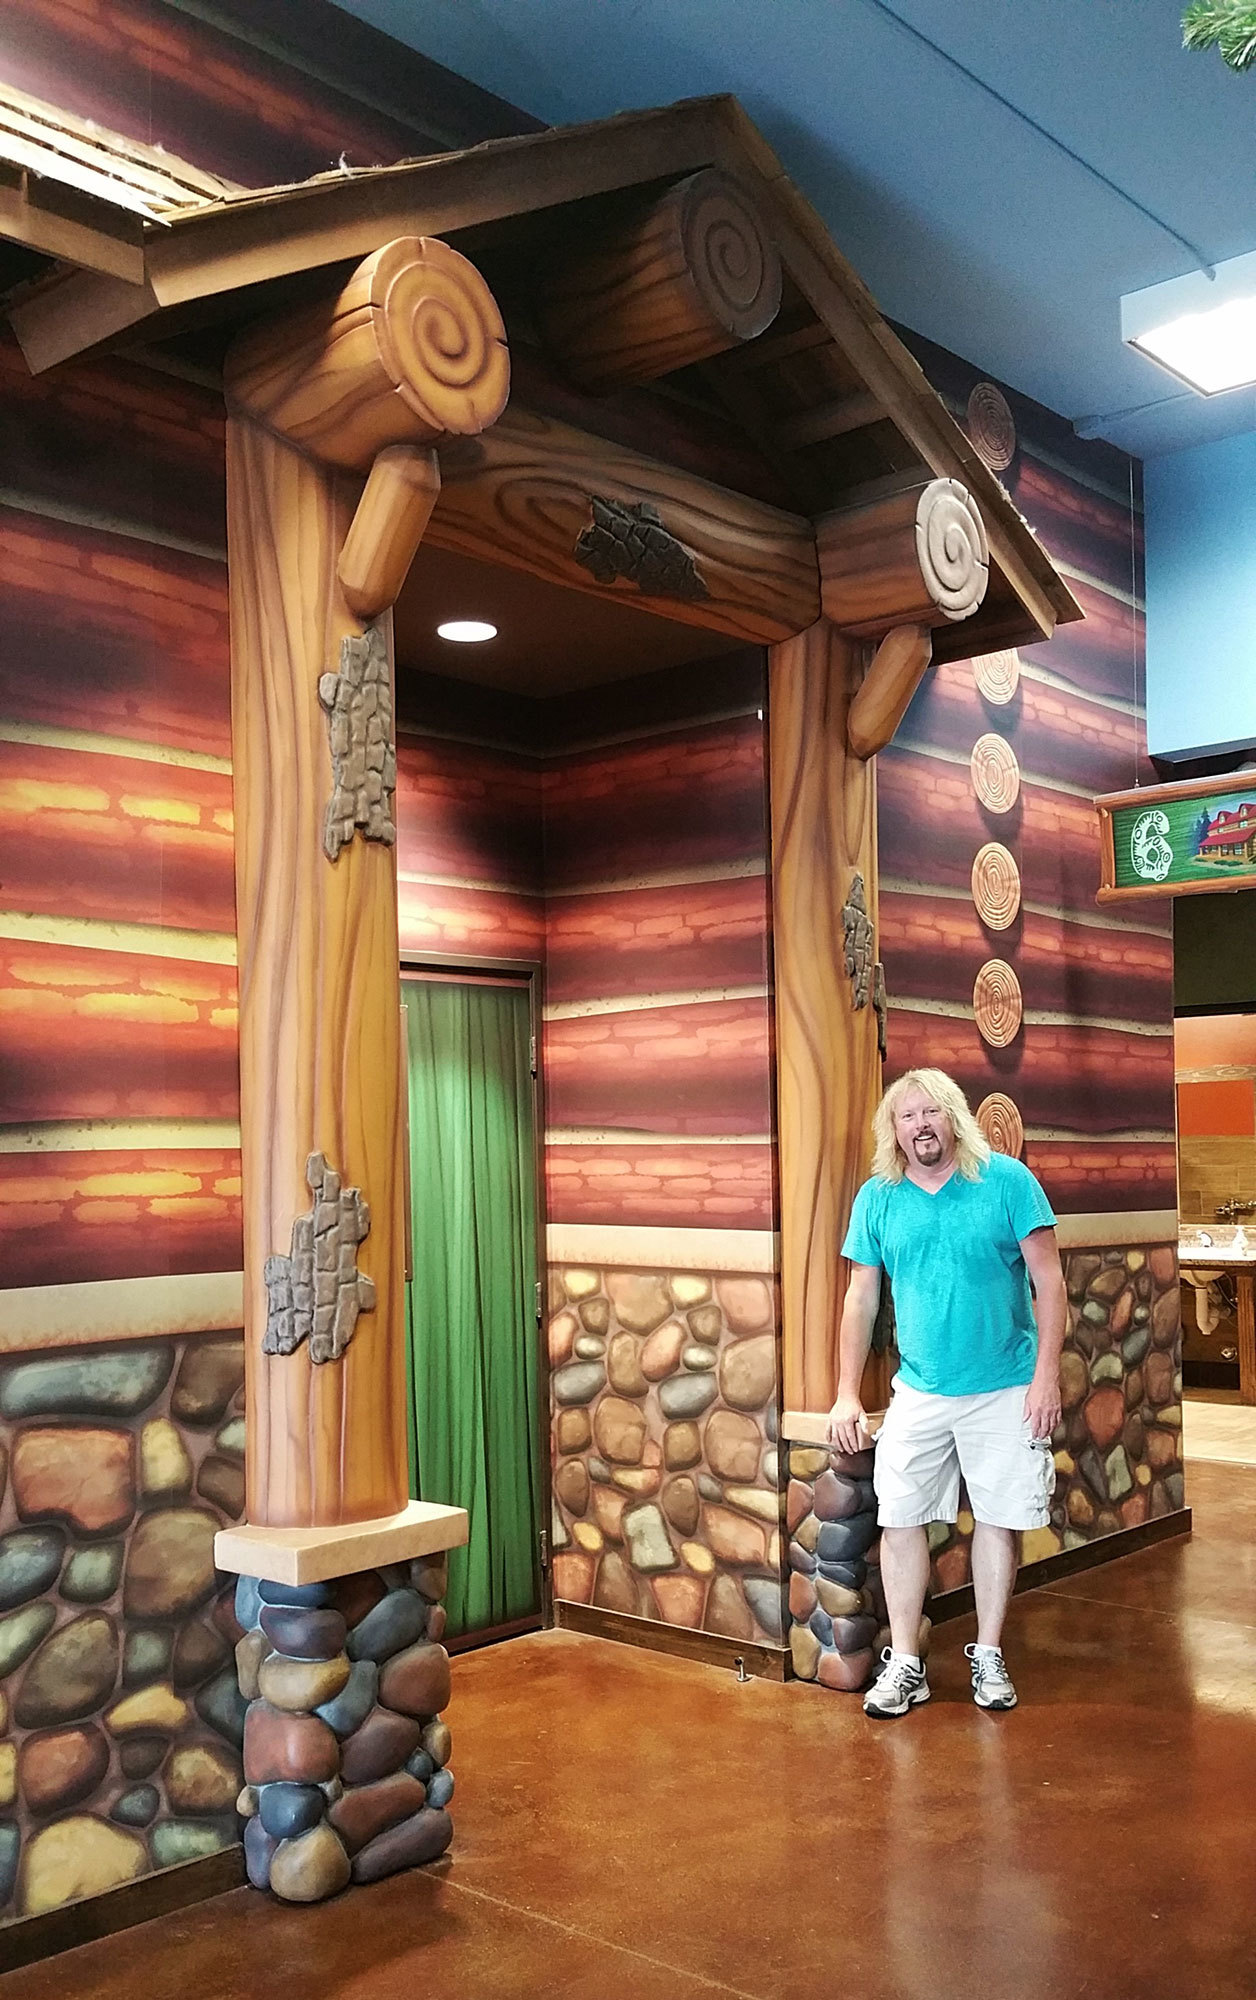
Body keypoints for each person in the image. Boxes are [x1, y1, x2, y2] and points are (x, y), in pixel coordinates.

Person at [826, 1067, 1065, 1718]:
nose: (921, 1125)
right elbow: (861, 1297)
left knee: (996, 1519)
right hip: (920, 1391)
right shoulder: (878, 1198)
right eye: (907, 1116)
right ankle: (907, 1662)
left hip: (1005, 1386)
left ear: (953, 1118)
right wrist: (847, 1392)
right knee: (899, 1518)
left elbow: (1050, 1280)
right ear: (893, 1130)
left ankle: (988, 1654)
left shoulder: (1007, 1182)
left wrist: (1046, 1377)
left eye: (931, 1113)